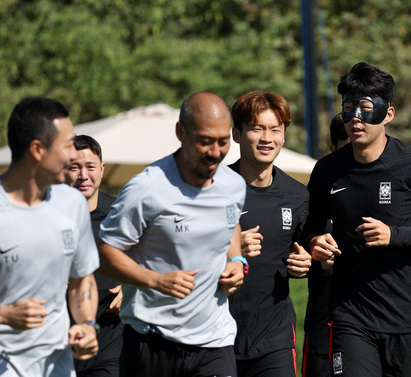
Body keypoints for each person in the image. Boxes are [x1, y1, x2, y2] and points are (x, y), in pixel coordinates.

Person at [306, 62, 411, 377]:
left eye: (366, 108)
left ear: (388, 114)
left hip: (404, 318)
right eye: (348, 108)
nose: (355, 118)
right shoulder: (327, 171)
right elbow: (312, 221)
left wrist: (395, 236)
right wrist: (315, 240)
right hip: (350, 316)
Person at [97, 92, 247, 377]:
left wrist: (238, 261)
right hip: (151, 341)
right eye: (204, 141)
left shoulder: (233, 186)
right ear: (181, 132)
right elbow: (105, 252)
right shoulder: (146, 188)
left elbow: (230, 225)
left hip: (214, 340)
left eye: (222, 141)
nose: (215, 152)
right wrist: (155, 280)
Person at [0, 96, 99, 376]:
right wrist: (5, 315)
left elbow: (82, 280)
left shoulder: (72, 204)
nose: (74, 156)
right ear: (37, 150)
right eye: (68, 145)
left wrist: (87, 325)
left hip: (58, 365)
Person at [226, 91, 312, 377]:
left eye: (275, 129)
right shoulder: (213, 191)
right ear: (236, 134)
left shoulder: (298, 196)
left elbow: (312, 254)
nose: (267, 138)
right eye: (256, 128)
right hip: (217, 339)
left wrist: (308, 263)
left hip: (274, 341)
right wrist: (232, 248)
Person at [64, 134, 123, 377]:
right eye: (74, 167)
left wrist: (131, 286)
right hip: (58, 341)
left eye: (90, 167)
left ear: (102, 168)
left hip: (109, 339)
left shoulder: (121, 215)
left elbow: (150, 260)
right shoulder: (46, 215)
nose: (83, 176)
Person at [301, 113, 349, 377]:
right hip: (321, 331)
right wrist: (316, 260)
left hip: (370, 326)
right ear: (332, 150)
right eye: (347, 147)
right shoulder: (316, 196)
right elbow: (293, 251)